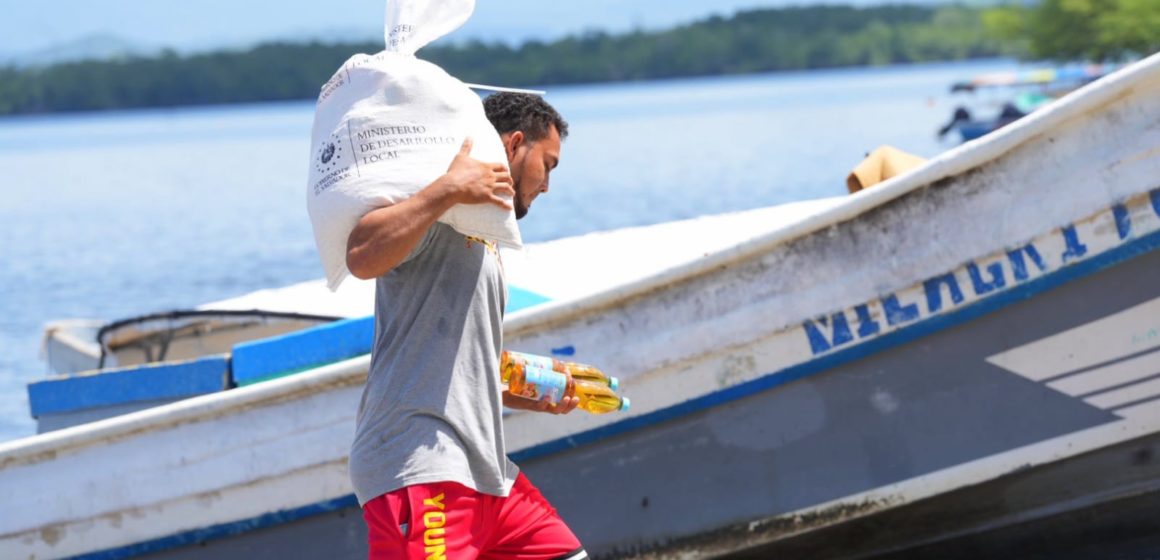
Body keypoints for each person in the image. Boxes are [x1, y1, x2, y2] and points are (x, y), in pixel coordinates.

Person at [345, 92, 587, 560]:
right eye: (548, 164)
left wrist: (533, 388)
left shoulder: (485, 230)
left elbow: (459, 364)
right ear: (515, 144)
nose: (547, 185)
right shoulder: (438, 210)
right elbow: (360, 254)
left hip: (488, 475)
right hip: (421, 464)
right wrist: (446, 190)